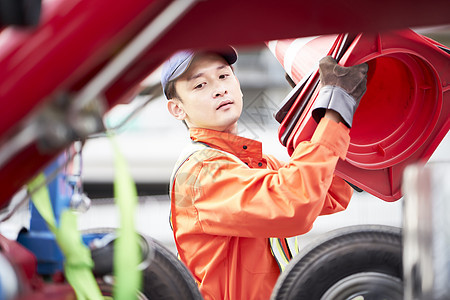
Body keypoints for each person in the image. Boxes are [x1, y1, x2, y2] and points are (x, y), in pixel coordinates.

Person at [161, 46, 368, 300]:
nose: (219, 89)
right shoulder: (200, 173)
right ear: (177, 109)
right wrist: (335, 109)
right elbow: (293, 203)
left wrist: (318, 111)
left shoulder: (251, 164)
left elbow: (331, 191)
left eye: (224, 76)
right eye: (200, 85)